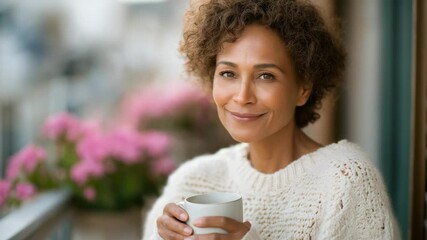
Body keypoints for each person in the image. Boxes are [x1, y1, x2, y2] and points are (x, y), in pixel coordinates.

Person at [143, 0, 400, 239]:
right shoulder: (193, 180)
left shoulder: (345, 182)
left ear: (303, 88)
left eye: (265, 76)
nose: (242, 96)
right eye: (228, 73)